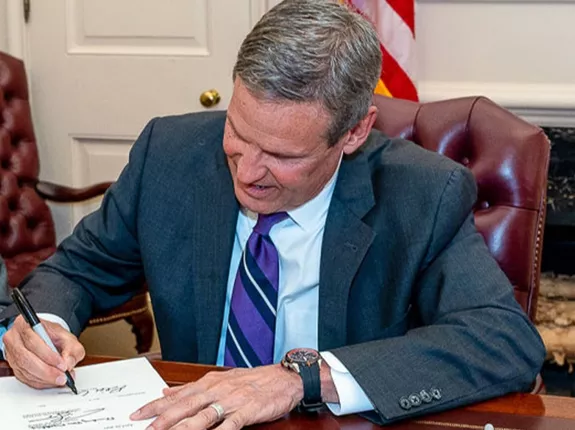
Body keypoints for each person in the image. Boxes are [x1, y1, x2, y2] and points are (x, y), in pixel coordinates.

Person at [0, 0, 545, 428]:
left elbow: (503, 341)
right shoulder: (170, 155)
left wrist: (304, 380)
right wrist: (41, 328)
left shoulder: (422, 193)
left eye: (284, 156)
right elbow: (76, 271)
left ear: (354, 133)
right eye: (238, 132)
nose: (248, 171)